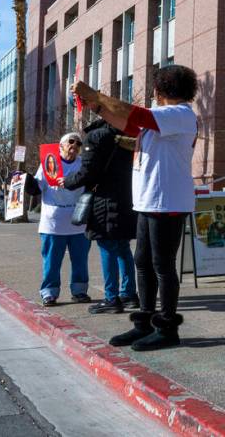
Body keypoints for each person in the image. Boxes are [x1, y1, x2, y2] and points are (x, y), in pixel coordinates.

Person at [72, 64, 199, 351]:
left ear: (160, 89)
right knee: (143, 262)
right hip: (150, 200)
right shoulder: (162, 121)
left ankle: (167, 329)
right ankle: (144, 324)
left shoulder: (180, 114)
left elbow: (136, 115)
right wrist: (96, 106)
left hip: (167, 201)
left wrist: (98, 94)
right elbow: (126, 123)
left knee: (162, 266)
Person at [63, 119, 139, 314]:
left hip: (104, 201)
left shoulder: (96, 137)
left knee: (107, 247)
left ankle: (111, 298)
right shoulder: (129, 135)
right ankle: (129, 295)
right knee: (123, 248)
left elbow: (88, 172)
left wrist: (68, 181)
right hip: (127, 200)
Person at [24, 132, 90, 307]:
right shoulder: (49, 163)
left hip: (78, 223)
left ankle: (80, 291)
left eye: (78, 143)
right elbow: (36, 188)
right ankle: (49, 293)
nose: (74, 145)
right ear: (60, 145)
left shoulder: (83, 164)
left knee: (80, 261)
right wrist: (24, 179)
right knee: (52, 262)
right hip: (53, 224)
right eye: (70, 142)